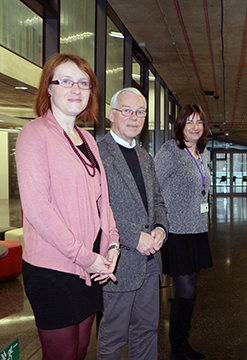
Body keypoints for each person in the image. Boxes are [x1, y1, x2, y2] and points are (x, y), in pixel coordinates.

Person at [15, 53, 119, 360]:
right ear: (49, 87)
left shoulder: (87, 139)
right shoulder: (34, 134)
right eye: (66, 81)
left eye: (84, 82)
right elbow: (37, 209)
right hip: (53, 271)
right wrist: (86, 258)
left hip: (89, 268)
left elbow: (104, 200)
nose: (76, 88)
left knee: (80, 351)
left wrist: (112, 244)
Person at [96, 87, 169, 360]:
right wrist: (135, 236)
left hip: (151, 261)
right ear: (111, 115)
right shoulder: (99, 154)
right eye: (127, 110)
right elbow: (97, 208)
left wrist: (160, 229)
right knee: (113, 336)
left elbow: (159, 202)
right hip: (120, 260)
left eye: (140, 112)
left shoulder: (145, 157)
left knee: (147, 330)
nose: (134, 117)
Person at [155, 104, 212, 360]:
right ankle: (178, 344)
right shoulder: (170, 150)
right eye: (189, 122)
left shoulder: (202, 152)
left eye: (199, 122)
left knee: (190, 291)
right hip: (176, 231)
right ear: (180, 126)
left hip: (197, 230)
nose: (195, 127)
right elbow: (153, 186)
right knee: (186, 291)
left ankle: (182, 338)